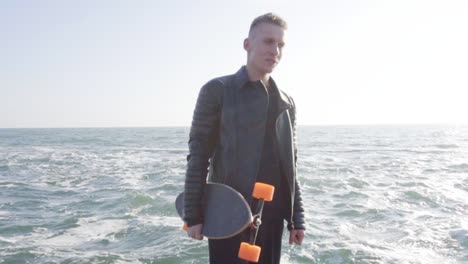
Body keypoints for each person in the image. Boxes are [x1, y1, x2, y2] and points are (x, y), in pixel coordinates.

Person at [183, 13, 305, 263]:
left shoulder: (286, 102)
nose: (275, 51)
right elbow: (198, 155)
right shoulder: (217, 90)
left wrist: (297, 218)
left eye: (281, 45)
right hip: (228, 211)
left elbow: (291, 167)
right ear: (247, 44)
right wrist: (192, 214)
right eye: (268, 42)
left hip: (271, 217)